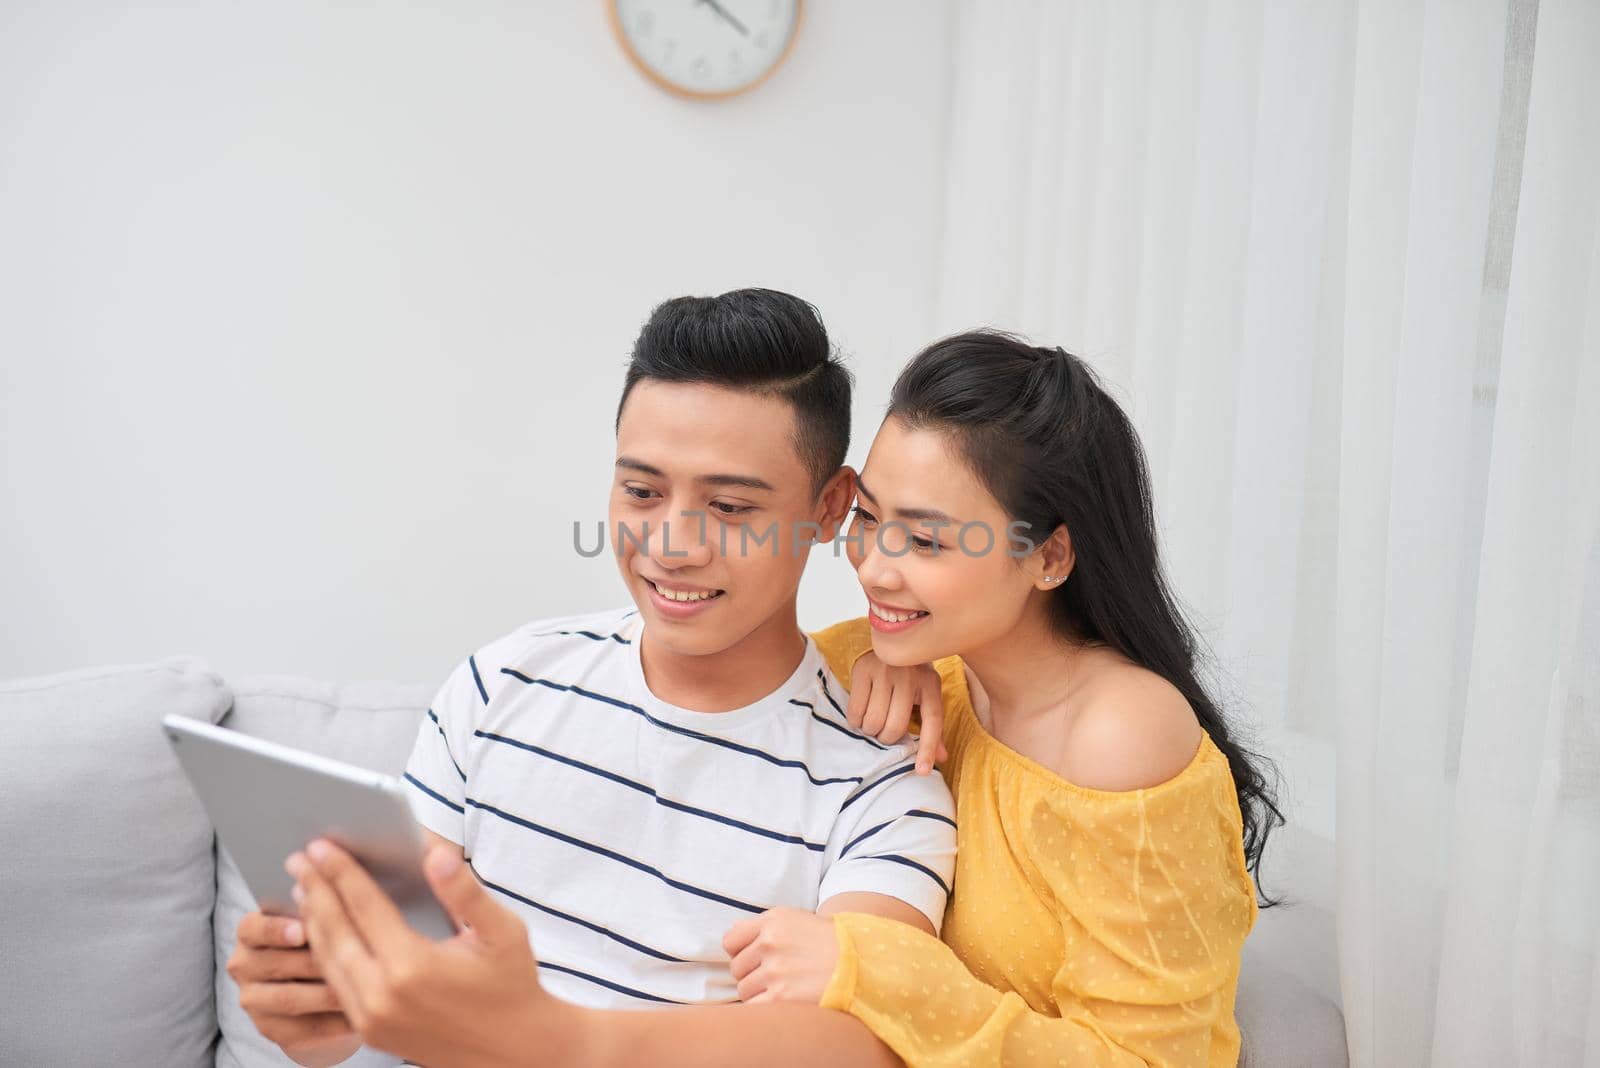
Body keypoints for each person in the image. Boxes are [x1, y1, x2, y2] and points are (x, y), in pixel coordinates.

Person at [288, 330, 1280, 1067]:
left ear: (1051, 553)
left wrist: (876, 973)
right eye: (872, 523)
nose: (876, 569)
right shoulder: (902, 663)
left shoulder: (1119, 732)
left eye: (928, 542)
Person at [227, 290, 956, 1066]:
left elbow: (861, 1043)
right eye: (641, 492)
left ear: (830, 507)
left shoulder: (882, 782)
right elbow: (394, 986)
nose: (671, 545)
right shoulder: (504, 680)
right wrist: (320, 1006)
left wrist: (555, 1041)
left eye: (731, 506)